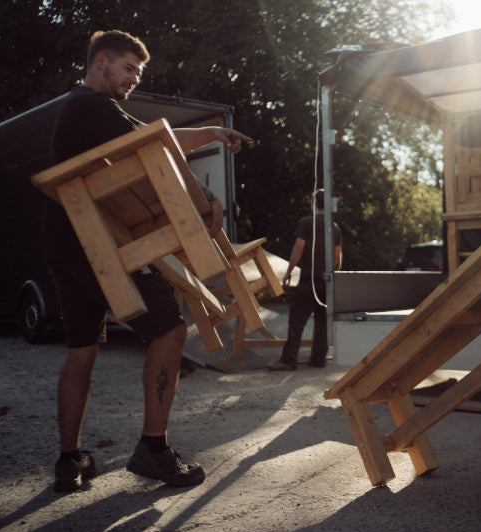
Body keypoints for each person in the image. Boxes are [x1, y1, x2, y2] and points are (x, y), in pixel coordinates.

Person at [47, 30, 253, 492]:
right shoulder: (92, 106)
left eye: (138, 73)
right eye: (128, 69)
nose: (133, 80)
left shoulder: (83, 108)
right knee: (170, 330)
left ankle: (69, 460)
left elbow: (154, 137)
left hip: (68, 243)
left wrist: (211, 132)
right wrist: (205, 201)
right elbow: (153, 149)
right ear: (100, 62)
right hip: (107, 245)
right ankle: (153, 450)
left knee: (81, 350)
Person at [270, 189, 342, 371]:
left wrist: (288, 273)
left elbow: (298, 249)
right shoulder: (334, 228)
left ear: (315, 203)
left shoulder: (305, 223)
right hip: (326, 283)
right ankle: (318, 359)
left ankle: (289, 360)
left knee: (296, 320)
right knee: (322, 322)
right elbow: (337, 259)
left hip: (307, 281)